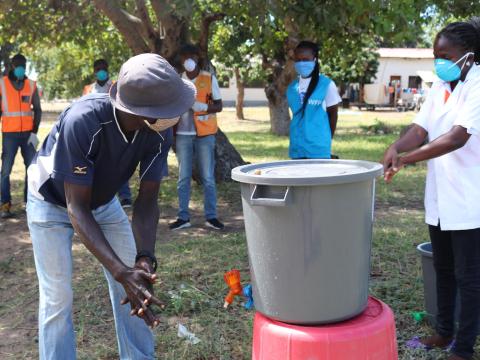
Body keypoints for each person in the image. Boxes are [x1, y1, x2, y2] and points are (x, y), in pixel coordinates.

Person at [27, 53, 195, 359]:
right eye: (172, 107)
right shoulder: (84, 121)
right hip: (50, 203)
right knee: (57, 297)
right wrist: (119, 270)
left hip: (103, 203)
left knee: (137, 284)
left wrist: (143, 259)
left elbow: (146, 202)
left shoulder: (158, 132)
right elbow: (76, 208)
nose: (178, 113)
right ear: (147, 112)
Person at [383, 18, 480, 360]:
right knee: (444, 267)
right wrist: (398, 145)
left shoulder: (478, 86)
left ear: (468, 56)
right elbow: (420, 129)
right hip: (441, 197)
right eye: (435, 54)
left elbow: (457, 137)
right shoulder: (440, 86)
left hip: (470, 198)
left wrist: (407, 160)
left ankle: (464, 347)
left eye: (444, 55)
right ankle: (443, 332)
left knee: (470, 277)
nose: (438, 61)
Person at [169, 44, 224, 231]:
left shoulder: (208, 79)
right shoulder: (177, 82)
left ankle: (212, 216)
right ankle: (183, 217)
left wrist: (202, 107)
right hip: (183, 134)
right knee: (183, 177)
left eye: (191, 56)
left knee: (208, 177)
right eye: (184, 57)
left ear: (198, 58)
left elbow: (219, 105)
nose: (188, 61)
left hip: (205, 133)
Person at [82, 58, 133, 208]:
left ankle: (125, 196)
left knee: (120, 163)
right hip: (94, 131)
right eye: (98, 69)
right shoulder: (88, 89)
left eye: (104, 68)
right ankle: (97, 195)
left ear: (108, 70)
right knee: (96, 164)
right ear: (94, 72)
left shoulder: (116, 87)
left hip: (115, 130)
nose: (101, 71)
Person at [0, 53, 42, 218]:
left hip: (27, 135)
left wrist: (34, 132)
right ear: (11, 66)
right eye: (17, 65)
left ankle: (29, 202)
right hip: (9, 135)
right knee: (5, 171)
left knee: (31, 169)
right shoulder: (2, 84)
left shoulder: (31, 85)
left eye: (23, 65)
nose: (20, 68)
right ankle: (5, 205)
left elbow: (37, 110)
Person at [286, 41, 341, 159]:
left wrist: (325, 140)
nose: (301, 63)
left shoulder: (326, 84)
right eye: (298, 60)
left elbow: (333, 115)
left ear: (315, 60)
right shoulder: (291, 88)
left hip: (319, 149)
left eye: (306, 59)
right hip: (297, 148)